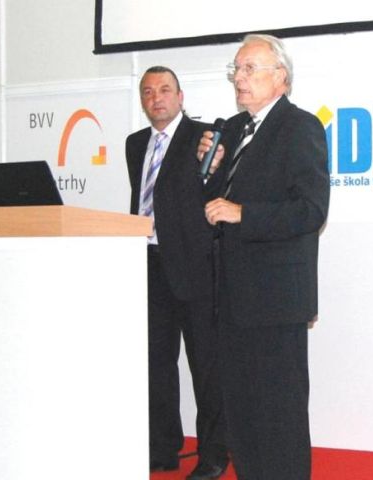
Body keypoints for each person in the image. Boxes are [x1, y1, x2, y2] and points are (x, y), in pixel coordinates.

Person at [197, 34, 330, 480]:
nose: (240, 77)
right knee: (242, 414)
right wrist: (210, 172)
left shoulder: (300, 127)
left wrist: (244, 213)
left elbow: (310, 210)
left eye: (250, 68)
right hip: (231, 295)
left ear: (281, 78)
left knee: (279, 414)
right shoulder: (234, 130)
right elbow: (214, 206)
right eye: (236, 69)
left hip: (275, 299)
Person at [126, 66, 228, 479]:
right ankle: (162, 448)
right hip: (148, 266)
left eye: (165, 90)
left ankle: (213, 455)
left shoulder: (204, 138)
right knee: (155, 364)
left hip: (195, 268)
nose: (157, 98)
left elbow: (215, 192)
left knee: (206, 366)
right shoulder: (135, 144)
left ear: (181, 97)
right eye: (148, 92)